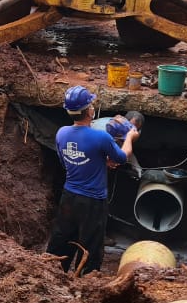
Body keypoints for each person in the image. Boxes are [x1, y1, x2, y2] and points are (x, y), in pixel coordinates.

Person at [46, 86, 138, 275]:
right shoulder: (101, 137)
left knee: (61, 240)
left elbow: (69, 163)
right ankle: (85, 282)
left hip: (69, 197)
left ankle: (52, 276)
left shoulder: (61, 133)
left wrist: (99, 162)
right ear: (89, 110)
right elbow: (122, 157)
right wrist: (129, 137)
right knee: (91, 245)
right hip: (93, 201)